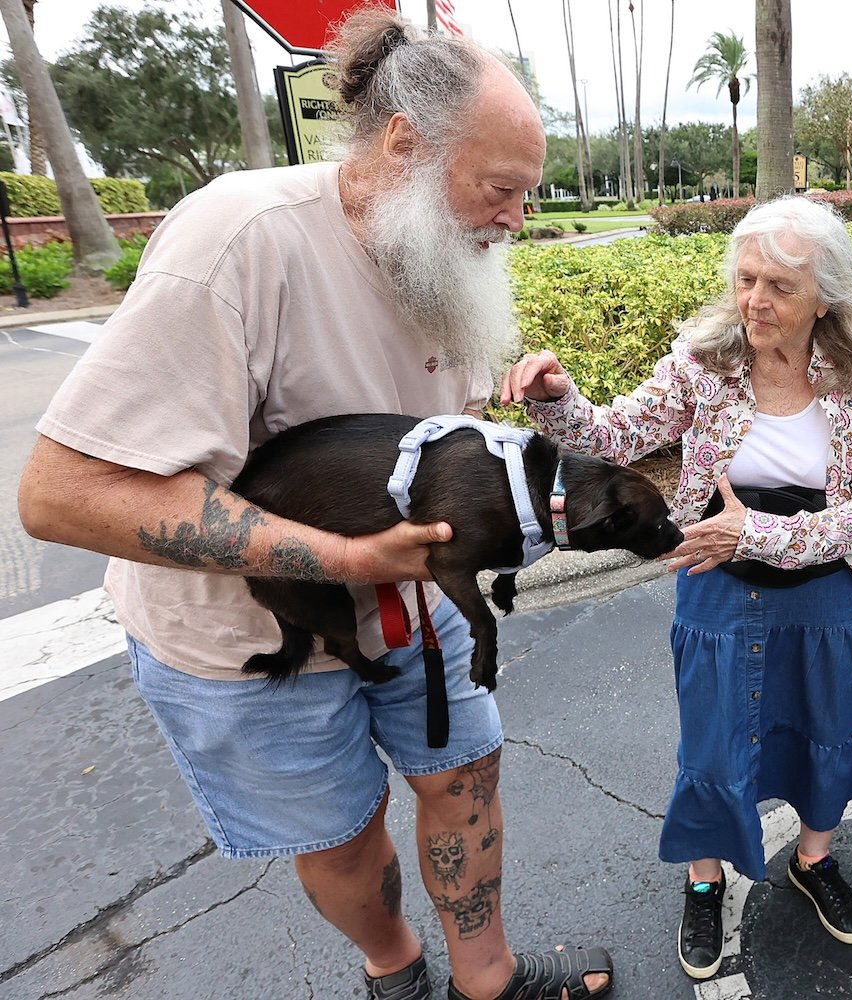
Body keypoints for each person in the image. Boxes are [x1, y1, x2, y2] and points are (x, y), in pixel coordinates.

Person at [16, 9, 611, 1000]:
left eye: (526, 195)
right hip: (248, 636)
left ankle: (488, 979)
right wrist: (336, 560)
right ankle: (396, 971)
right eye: (500, 189)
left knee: (466, 777)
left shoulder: (443, 251)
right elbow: (63, 493)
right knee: (341, 838)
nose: (517, 220)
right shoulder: (241, 240)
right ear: (405, 145)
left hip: (413, 603)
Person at [499, 195, 852, 980]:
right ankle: (705, 877)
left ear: (825, 297)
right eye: (746, 279)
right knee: (717, 738)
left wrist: (757, 532)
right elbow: (614, 435)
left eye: (780, 286)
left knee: (831, 724)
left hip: (830, 590)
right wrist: (557, 398)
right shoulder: (706, 364)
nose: (755, 300)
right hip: (723, 585)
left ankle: (813, 860)